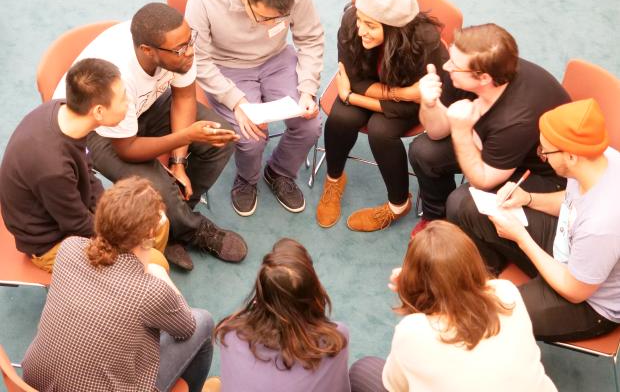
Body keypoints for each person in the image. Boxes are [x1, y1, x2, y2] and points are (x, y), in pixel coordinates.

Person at [53, 2, 247, 270]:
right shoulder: (119, 77)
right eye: (182, 49)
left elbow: (183, 98)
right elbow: (127, 148)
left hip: (146, 104)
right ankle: (190, 230)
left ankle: (174, 217)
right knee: (154, 185)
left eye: (190, 41)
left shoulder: (180, 50)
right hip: (100, 127)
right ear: (148, 51)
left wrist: (179, 163)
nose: (190, 52)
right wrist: (186, 137)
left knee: (219, 142)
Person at [22, 177, 214, 392]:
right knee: (203, 321)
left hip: (33, 381)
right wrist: (161, 276)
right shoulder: (151, 290)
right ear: (150, 234)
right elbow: (186, 328)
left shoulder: (69, 247)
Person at [458, 99, 620, 341]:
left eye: (546, 151)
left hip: (589, 303)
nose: (542, 155)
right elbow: (572, 201)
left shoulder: (602, 224)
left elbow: (575, 290)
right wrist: (529, 198)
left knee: (489, 316)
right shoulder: (599, 156)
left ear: (572, 156)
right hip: (567, 246)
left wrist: (521, 238)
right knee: (471, 207)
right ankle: (490, 284)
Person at [348, 220, 557, 392]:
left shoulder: (412, 331)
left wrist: (412, 291)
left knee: (362, 370)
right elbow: (466, 287)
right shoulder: (507, 291)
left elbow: (395, 386)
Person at [185, 0, 323, 217]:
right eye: (263, 18)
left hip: (277, 59)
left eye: (278, 19)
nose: (271, 25)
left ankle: (279, 172)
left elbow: (310, 38)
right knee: (251, 137)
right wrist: (237, 102)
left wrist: (307, 89)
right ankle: (247, 180)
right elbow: (198, 59)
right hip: (227, 66)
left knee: (310, 125)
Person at [409, 23, 569, 236]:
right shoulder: (460, 71)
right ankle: (436, 221)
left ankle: (480, 254)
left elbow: (483, 180)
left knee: (461, 203)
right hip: (492, 143)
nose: (446, 67)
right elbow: (436, 132)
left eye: (454, 65)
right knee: (423, 151)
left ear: (483, 78)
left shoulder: (516, 119)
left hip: (543, 171)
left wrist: (461, 131)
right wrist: (429, 104)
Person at [316, 0, 447, 232]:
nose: (360, 29)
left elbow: (414, 104)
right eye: (359, 20)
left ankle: (399, 204)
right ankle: (334, 178)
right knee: (343, 117)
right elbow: (353, 79)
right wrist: (401, 93)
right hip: (380, 88)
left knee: (381, 131)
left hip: (410, 102)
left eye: (370, 25)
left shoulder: (425, 41)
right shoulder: (352, 21)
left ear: (393, 28)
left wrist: (353, 97)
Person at [0, 58, 140, 272]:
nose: (128, 101)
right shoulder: (53, 168)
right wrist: (127, 236)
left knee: (142, 225)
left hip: (66, 210)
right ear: (99, 111)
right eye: (123, 98)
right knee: (142, 262)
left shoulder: (61, 111)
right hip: (50, 243)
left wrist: (111, 210)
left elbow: (87, 170)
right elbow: (77, 226)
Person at [206, 237, 350, 392]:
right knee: (362, 370)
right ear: (314, 293)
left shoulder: (230, 335)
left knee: (214, 385)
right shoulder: (334, 340)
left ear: (261, 293)